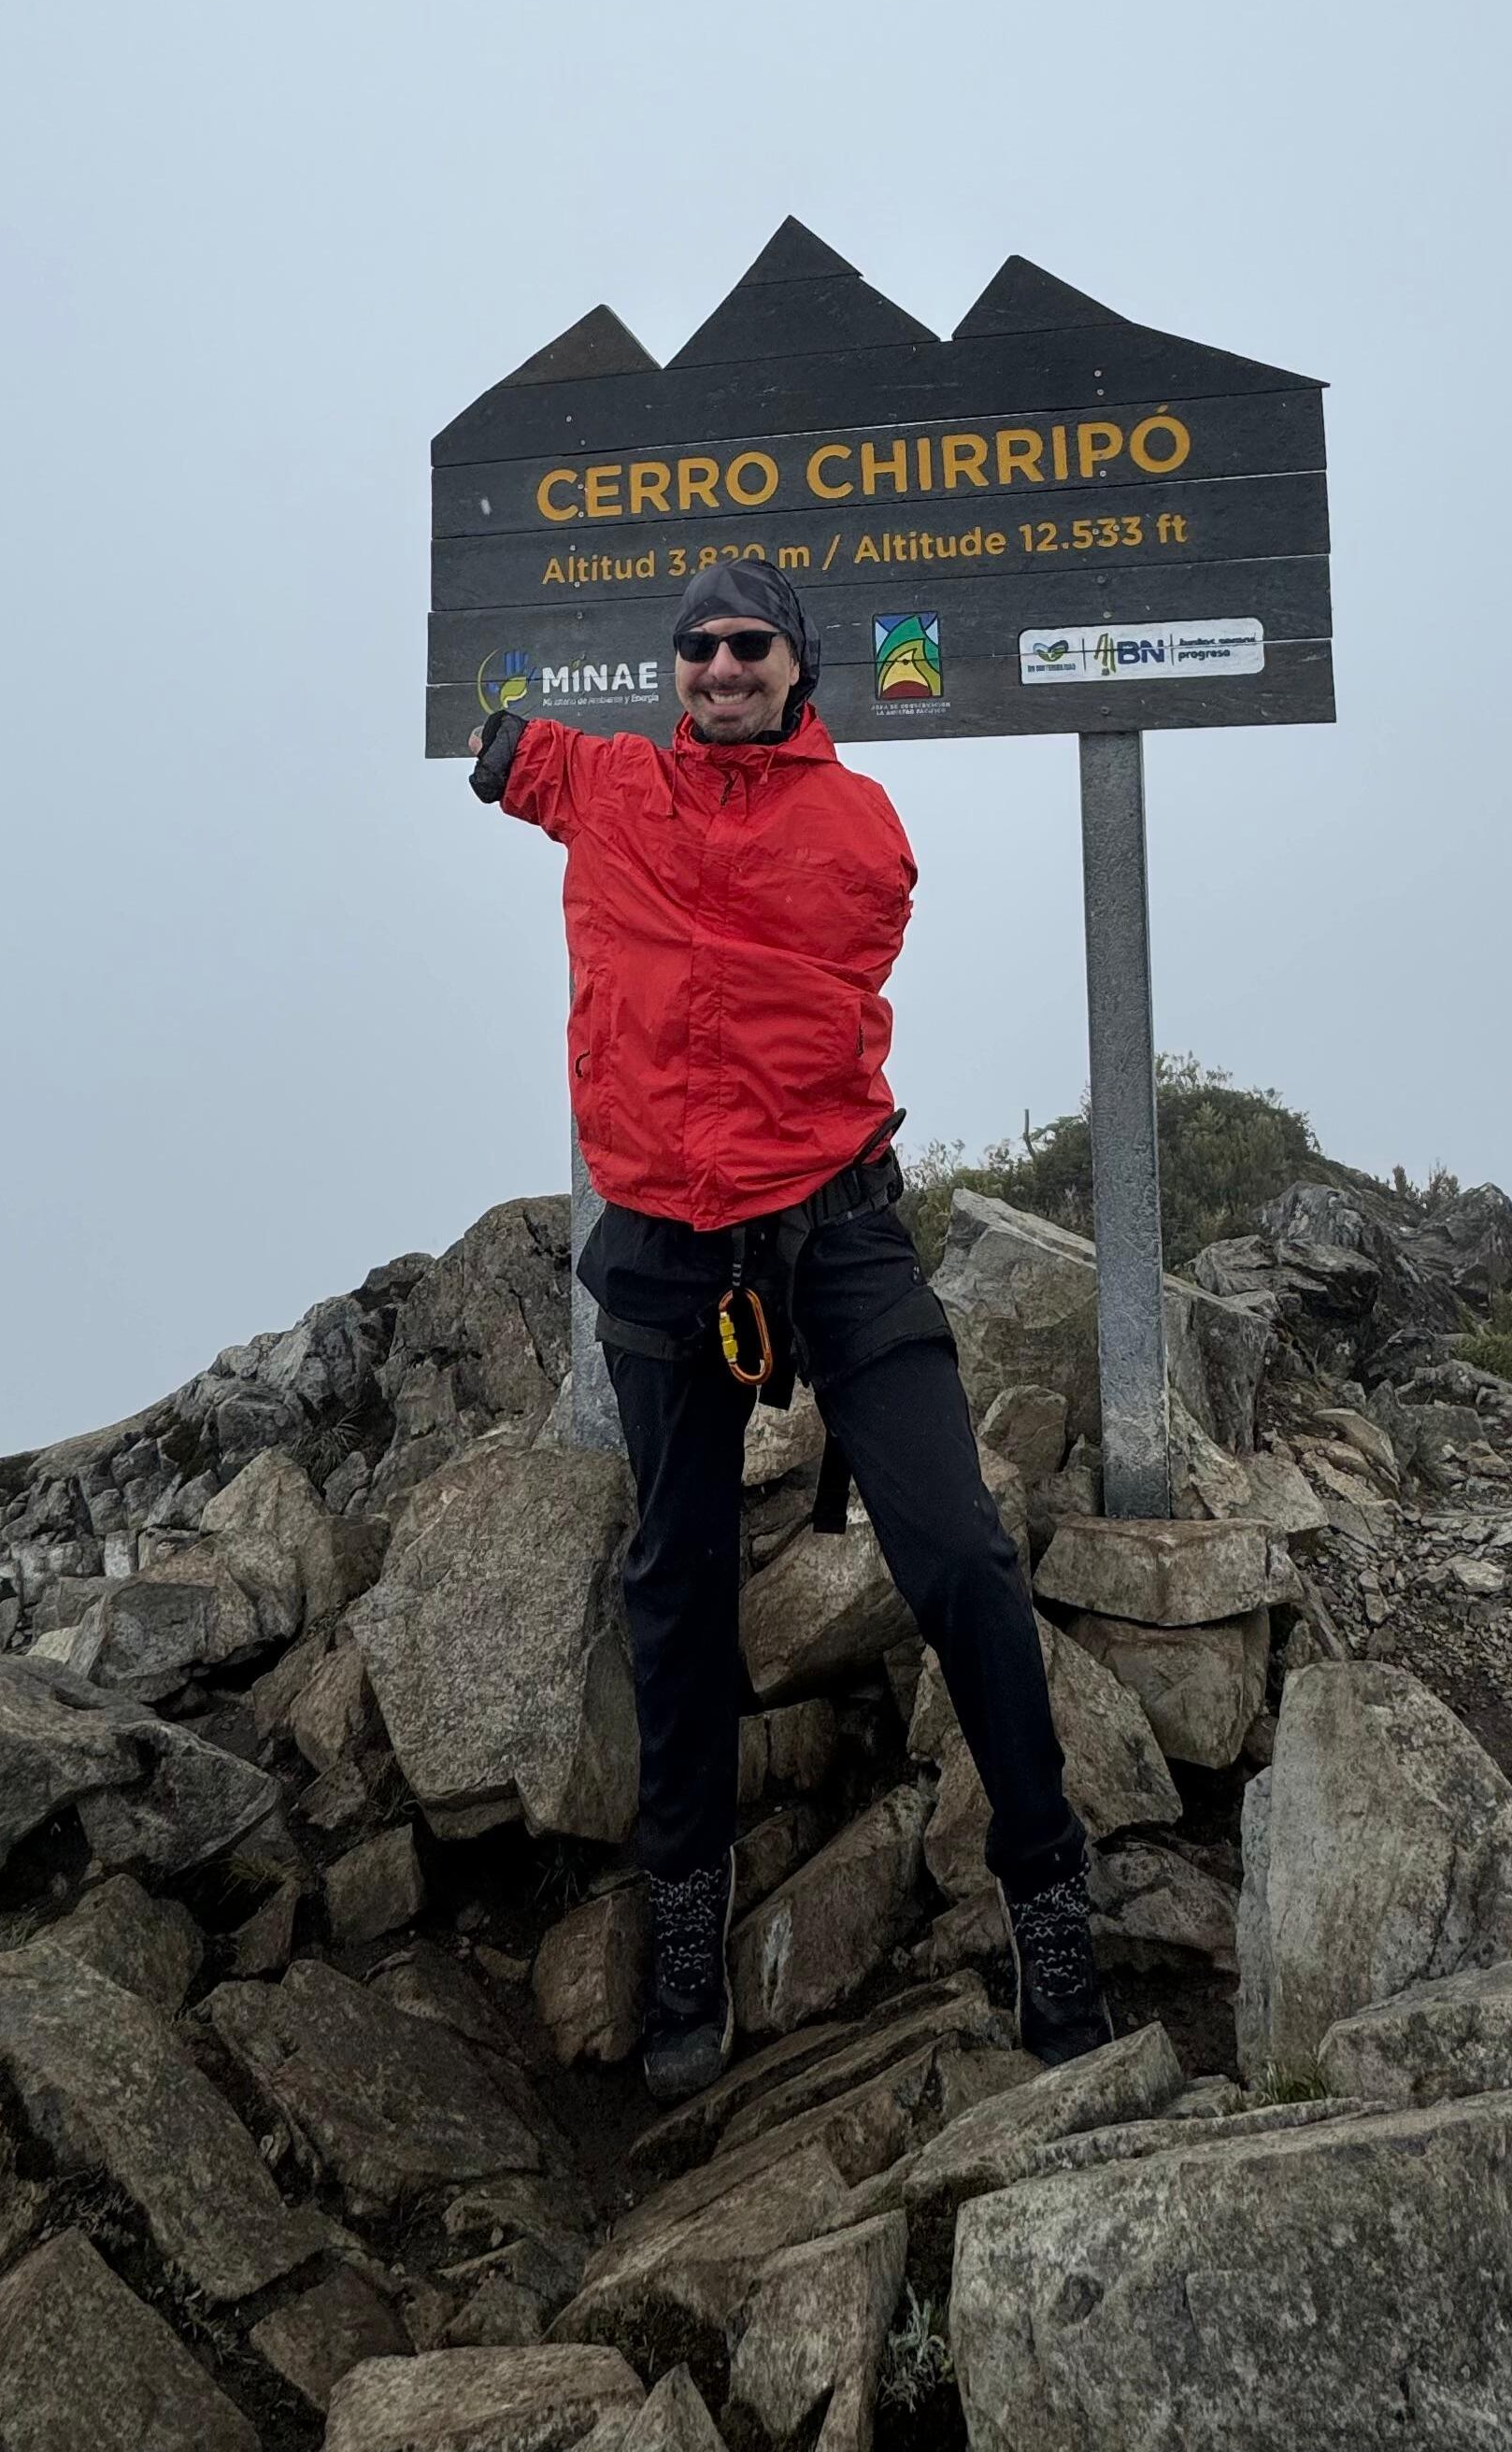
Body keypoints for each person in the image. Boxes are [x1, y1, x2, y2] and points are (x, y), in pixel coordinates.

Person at [468, 560, 1109, 2103]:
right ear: (672, 667)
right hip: (666, 1253)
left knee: (956, 1552)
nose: (720, 666)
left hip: (837, 1233)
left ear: (798, 665)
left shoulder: (863, 828)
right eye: (695, 647)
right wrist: (503, 742)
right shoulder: (606, 786)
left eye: (749, 645)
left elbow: (816, 964)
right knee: (677, 1586)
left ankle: (1050, 1892)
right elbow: (514, 751)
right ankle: (687, 1923)